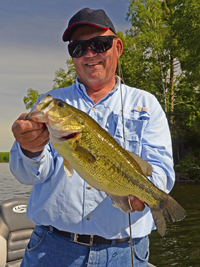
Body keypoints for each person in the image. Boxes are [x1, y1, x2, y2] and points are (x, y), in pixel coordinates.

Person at [10, 7, 175, 267]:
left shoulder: (146, 104)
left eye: (99, 44)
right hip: (52, 250)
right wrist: (30, 150)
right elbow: (29, 175)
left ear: (117, 48)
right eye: (78, 48)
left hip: (124, 254)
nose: (89, 54)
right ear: (73, 56)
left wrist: (147, 192)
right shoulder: (51, 102)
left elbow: (162, 168)